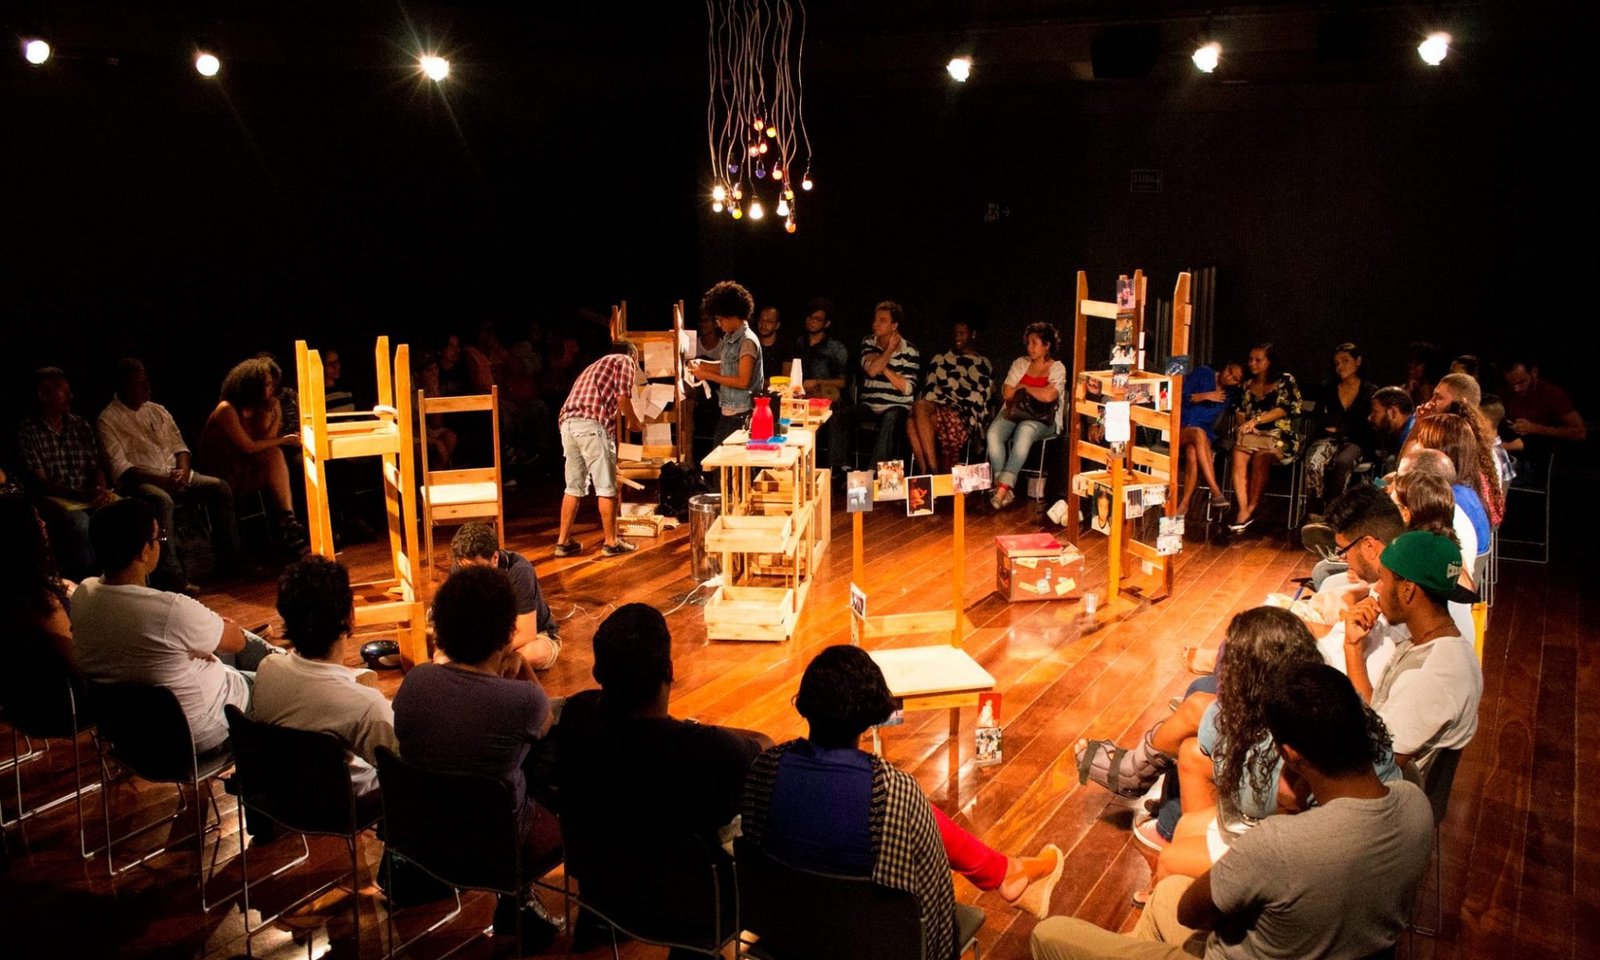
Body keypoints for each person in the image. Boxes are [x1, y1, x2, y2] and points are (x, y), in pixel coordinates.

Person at [1032, 663, 1433, 960]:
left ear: (1292, 757)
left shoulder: (1280, 843)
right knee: (1166, 892)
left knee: (1049, 935)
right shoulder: (1415, 804)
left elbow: (1192, 913)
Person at [741, 645, 1065, 958]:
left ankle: (1006, 871)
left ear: (804, 704)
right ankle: (1006, 871)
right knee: (910, 810)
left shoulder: (766, 768)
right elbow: (933, 895)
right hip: (870, 946)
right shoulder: (892, 790)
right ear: (871, 715)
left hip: (785, 935)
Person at [391, 565, 562, 946]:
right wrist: (521, 668)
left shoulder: (414, 682)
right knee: (551, 748)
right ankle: (520, 900)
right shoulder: (522, 699)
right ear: (506, 633)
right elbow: (545, 721)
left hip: (424, 838)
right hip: (498, 846)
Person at [71, 499, 281, 752]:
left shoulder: (83, 595)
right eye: (158, 537)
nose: (161, 543)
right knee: (292, 686)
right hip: (209, 729)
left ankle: (285, 662)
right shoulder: (168, 611)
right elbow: (235, 642)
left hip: (133, 738)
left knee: (229, 644)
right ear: (144, 551)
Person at [250, 556, 397, 797]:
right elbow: (407, 767)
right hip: (347, 804)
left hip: (281, 797)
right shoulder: (365, 706)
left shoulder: (267, 669)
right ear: (349, 618)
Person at [1341, 530, 1483, 777]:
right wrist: (1352, 647)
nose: (1377, 589)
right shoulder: (1433, 644)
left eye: (1383, 580)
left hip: (1377, 790)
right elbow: (1376, 718)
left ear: (1407, 590)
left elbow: (1374, 769)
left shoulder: (1429, 677)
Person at [98, 358, 240, 593]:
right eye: (139, 383)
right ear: (123, 385)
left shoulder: (157, 410)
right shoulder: (108, 419)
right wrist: (162, 481)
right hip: (141, 481)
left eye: (146, 381)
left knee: (219, 488)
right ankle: (173, 575)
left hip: (174, 475)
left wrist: (182, 473)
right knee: (162, 500)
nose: (147, 387)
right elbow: (121, 468)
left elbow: (180, 447)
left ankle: (231, 561)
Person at [195, 356, 309, 559]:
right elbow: (248, 447)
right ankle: (287, 521)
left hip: (247, 466)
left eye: (272, 384)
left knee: (276, 455)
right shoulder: (226, 409)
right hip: (224, 470)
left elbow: (265, 442)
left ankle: (287, 521)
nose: (271, 389)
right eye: (266, 384)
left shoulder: (258, 409)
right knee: (275, 453)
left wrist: (275, 415)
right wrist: (283, 440)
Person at [17, 366, 115, 579]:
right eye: (63, 391)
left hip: (85, 496)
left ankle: (120, 579)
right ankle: (87, 581)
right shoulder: (29, 430)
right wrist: (82, 495)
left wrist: (101, 490)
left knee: (121, 514)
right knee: (80, 524)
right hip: (53, 498)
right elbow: (41, 483)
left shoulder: (80, 425)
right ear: (43, 395)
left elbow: (96, 466)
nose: (70, 396)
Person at [553, 341, 643, 558]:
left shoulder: (594, 366)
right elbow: (622, 397)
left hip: (568, 425)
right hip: (591, 425)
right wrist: (634, 421)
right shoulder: (625, 360)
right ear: (632, 355)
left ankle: (562, 542)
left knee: (573, 487)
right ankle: (611, 543)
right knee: (606, 486)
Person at [447, 522, 560, 672]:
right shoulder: (461, 567)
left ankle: (481, 670)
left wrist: (486, 656)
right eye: (463, 567)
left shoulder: (520, 571)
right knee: (442, 656)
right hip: (486, 638)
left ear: (494, 558)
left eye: (475, 567)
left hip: (528, 636)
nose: (469, 574)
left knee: (536, 654)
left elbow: (526, 633)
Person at [828, 301, 920, 477]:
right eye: (875, 319)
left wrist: (882, 364)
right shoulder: (869, 342)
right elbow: (870, 371)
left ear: (894, 326)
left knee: (891, 417)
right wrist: (887, 354)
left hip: (897, 406)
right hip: (870, 405)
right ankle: (840, 469)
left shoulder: (910, 351)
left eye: (882, 320)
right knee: (839, 416)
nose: (876, 324)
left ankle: (874, 472)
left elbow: (908, 388)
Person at [986, 322, 1066, 510]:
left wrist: (1024, 388)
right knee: (993, 434)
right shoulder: (1020, 363)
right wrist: (1037, 390)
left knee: (1024, 430)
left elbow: (1050, 395)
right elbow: (1007, 392)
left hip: (1042, 418)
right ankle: (1003, 487)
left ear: (1047, 345)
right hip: (1015, 411)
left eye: (1034, 343)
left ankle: (1002, 489)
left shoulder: (1057, 368)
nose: (1030, 347)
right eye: (1028, 343)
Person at [1228, 343, 1302, 532]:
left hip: (1279, 435)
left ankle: (1252, 507)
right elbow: (1240, 411)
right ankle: (1243, 508)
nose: (1252, 363)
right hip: (1253, 435)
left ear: (1269, 362)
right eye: (1250, 359)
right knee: (1238, 453)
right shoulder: (1246, 384)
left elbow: (1285, 408)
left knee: (1261, 456)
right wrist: (1245, 426)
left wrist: (1256, 421)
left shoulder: (1285, 380)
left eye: (1258, 360)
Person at [908, 311, 994, 474]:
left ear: (973, 334)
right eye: (955, 334)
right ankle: (931, 474)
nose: (957, 337)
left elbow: (981, 396)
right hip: (936, 405)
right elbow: (931, 390)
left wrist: (954, 400)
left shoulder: (982, 363)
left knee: (912, 421)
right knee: (918, 408)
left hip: (963, 413)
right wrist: (943, 400)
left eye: (962, 333)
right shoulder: (941, 359)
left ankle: (929, 474)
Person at [0, 494, 75, 664]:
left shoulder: (16, 585)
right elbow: (74, 660)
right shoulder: (39, 601)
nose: (43, 523)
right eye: (36, 520)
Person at [1303, 342, 1375, 515]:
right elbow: (1318, 416)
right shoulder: (1328, 387)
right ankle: (1315, 512)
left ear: (1358, 361)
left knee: (1343, 463)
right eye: (1337, 363)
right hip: (1328, 438)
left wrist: (1342, 428)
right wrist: (1331, 426)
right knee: (1314, 462)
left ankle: (1334, 512)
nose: (1340, 366)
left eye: (1345, 361)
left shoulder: (1370, 391)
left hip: (1356, 440)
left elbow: (1369, 424)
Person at [686, 281, 763, 444]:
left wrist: (706, 375)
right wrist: (702, 364)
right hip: (728, 412)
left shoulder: (747, 341)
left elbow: (743, 381)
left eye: (720, 319)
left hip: (742, 414)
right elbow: (728, 367)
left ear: (732, 315)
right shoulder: (730, 338)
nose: (718, 324)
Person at [1408, 410, 1505, 528]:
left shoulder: (1447, 503)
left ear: (1439, 451)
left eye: (1419, 441)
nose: (1413, 448)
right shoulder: (1463, 490)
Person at [1174, 362, 1243, 515]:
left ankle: (1184, 504)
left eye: (1235, 379)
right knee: (1198, 433)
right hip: (1180, 428)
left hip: (1202, 436)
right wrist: (1206, 396)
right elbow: (1180, 396)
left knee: (1192, 453)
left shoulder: (1230, 395)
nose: (1229, 377)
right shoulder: (1203, 372)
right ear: (1225, 367)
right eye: (1229, 371)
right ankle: (1215, 490)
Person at [1500, 359, 1586, 462]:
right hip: (1513, 454)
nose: (1516, 389)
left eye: (1522, 382)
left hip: (1544, 455)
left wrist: (1535, 428)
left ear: (1534, 372)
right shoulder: (1505, 393)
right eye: (1511, 384)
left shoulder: (1551, 394)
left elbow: (1580, 432)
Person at [796, 297, 849, 402]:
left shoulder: (836, 348)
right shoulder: (799, 342)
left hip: (825, 397)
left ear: (827, 323)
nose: (811, 321)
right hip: (799, 395)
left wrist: (818, 382)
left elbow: (843, 382)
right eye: (809, 317)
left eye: (817, 319)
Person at [1368, 384, 1416, 473]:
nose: (1370, 417)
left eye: (1375, 412)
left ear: (1392, 412)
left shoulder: (1412, 436)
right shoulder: (1406, 430)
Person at [754, 305, 796, 389]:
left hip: (778, 391)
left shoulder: (785, 346)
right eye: (761, 320)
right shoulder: (751, 343)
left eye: (769, 322)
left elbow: (786, 379)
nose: (763, 325)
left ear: (777, 325)